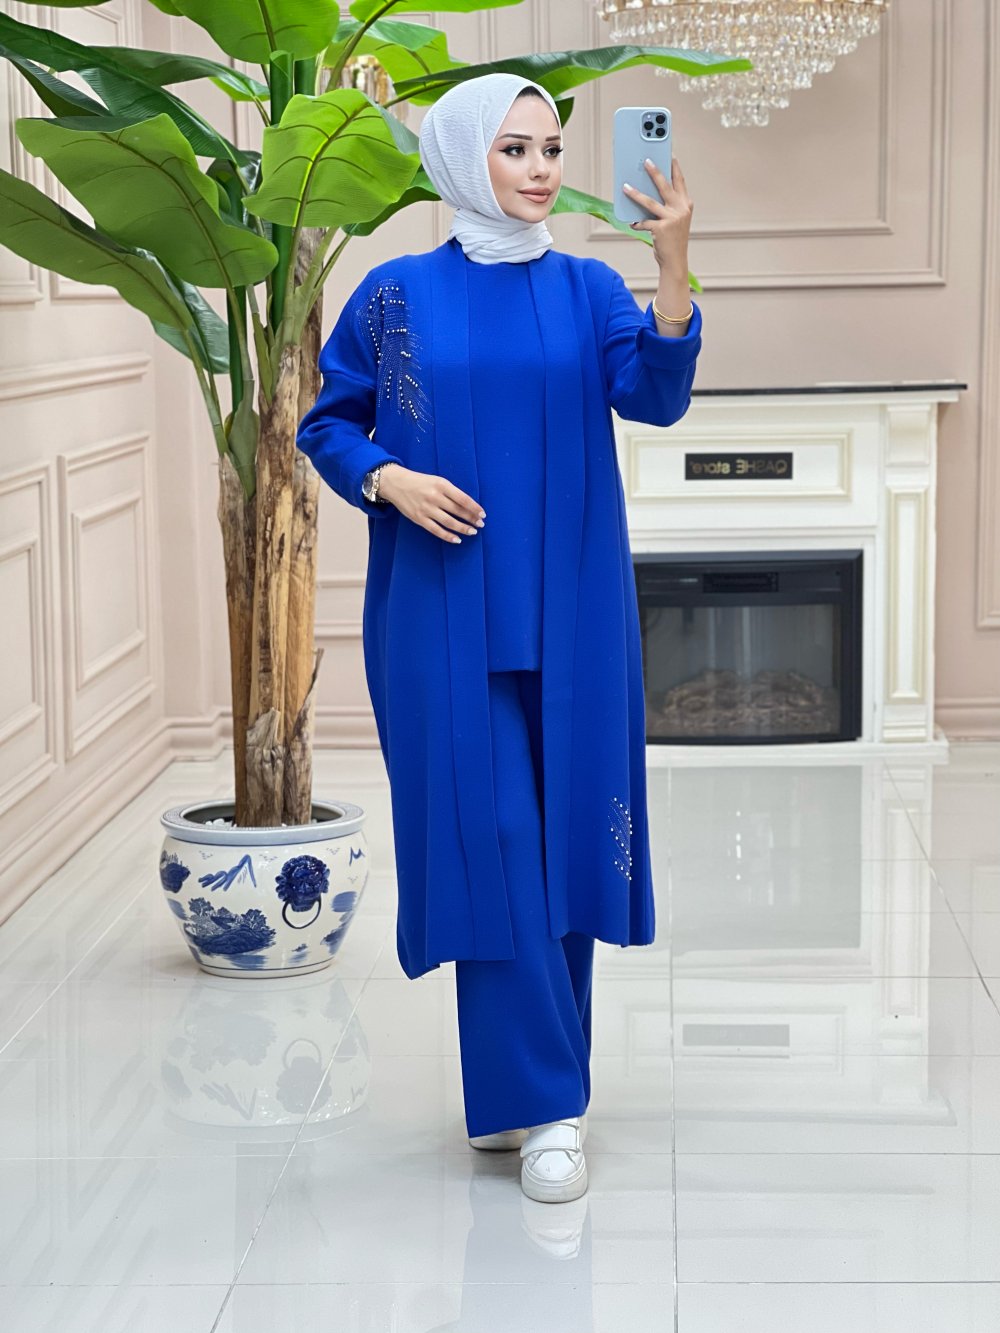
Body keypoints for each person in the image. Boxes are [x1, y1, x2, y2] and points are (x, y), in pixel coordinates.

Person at [296, 73, 702, 1204]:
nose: (539, 168)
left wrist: (671, 265)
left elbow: (653, 396)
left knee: (562, 845)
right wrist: (388, 478)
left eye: (552, 148)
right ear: (464, 156)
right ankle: (550, 1105)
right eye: (514, 147)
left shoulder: (586, 288)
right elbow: (328, 424)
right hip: (440, 612)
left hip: (572, 612)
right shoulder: (395, 295)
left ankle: (518, 1096)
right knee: (496, 843)